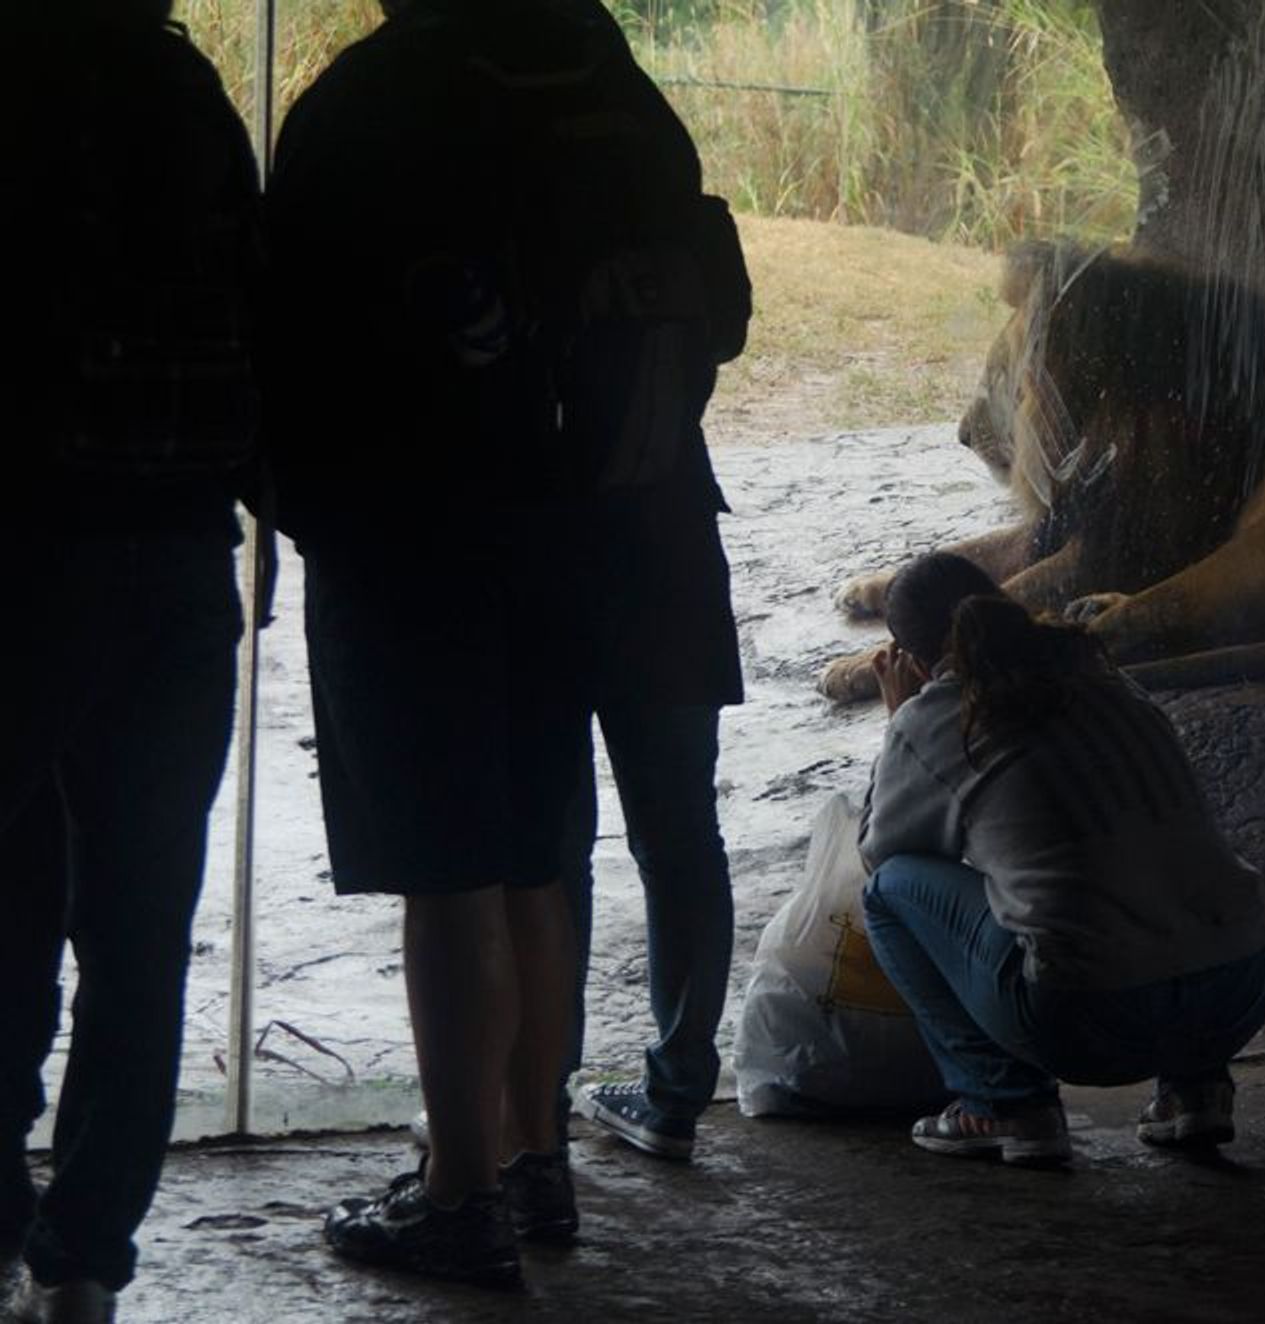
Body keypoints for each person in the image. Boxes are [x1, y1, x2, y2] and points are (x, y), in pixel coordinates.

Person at [265, 0, 746, 1286]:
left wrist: (296, 506)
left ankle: (460, 1187)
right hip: (589, 535)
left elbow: (282, 334)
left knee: (447, 875)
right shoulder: (599, 73)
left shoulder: (371, 104)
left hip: (412, 539)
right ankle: (538, 1162)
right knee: (539, 853)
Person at [0, 3, 259, 1319]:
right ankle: (89, 1254)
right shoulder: (187, 96)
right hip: (172, 563)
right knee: (141, 927)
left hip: (25, 556)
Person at [858, 553, 1265, 1164]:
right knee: (1159, 870)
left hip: (1092, 1018)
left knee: (891, 892)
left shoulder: (937, 714)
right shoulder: (1106, 678)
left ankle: (1005, 1104)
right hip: (1245, 983)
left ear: (914, 658)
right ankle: (1197, 1092)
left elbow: (880, 853)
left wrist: (900, 720)